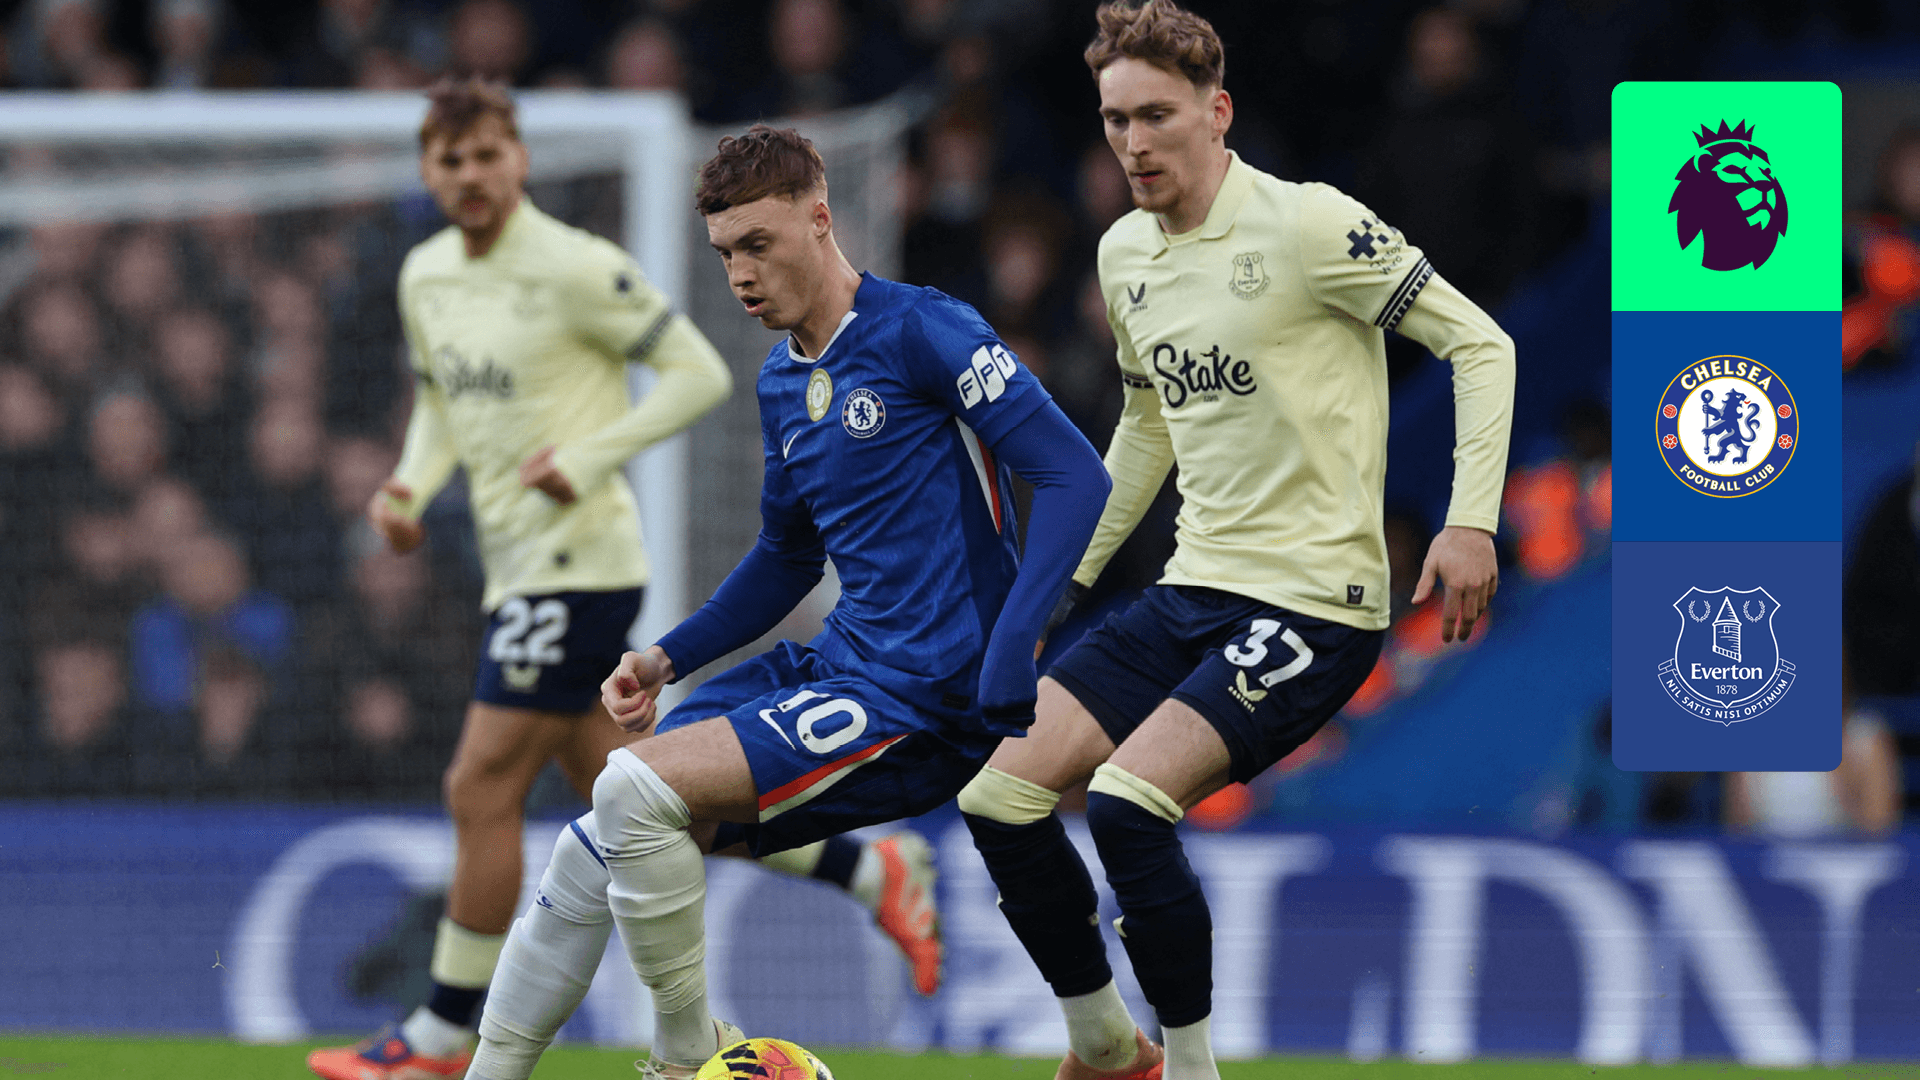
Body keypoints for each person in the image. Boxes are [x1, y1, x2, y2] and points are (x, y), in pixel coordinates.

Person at [308, 82, 940, 1080]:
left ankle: (442, 1036)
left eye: (486, 155)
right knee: (636, 796)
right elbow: (438, 400)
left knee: (482, 782)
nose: (469, 176)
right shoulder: (426, 275)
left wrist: (590, 455)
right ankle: (868, 868)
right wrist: (408, 486)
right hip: (511, 566)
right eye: (449, 160)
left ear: (519, 159)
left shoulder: (574, 267)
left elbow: (697, 372)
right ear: (427, 171)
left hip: (579, 564)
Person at [461, 124, 1111, 1080]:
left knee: (631, 788)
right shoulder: (782, 381)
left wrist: (1015, 642)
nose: (740, 275)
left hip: (927, 697)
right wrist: (669, 657)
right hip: (841, 666)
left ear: (820, 218)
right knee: (599, 839)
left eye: (758, 245)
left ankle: (684, 1057)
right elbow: (787, 556)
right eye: (726, 253)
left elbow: (1073, 476)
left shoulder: (925, 330)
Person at [952, 4, 1517, 1080]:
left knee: (1125, 803)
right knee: (1000, 797)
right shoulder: (1124, 253)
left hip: (1316, 604)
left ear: (1218, 113)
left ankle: (1193, 1069)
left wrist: (1468, 518)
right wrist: (1055, 587)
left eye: (1157, 116)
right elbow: (1148, 428)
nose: (1133, 143)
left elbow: (1481, 345)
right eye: (1115, 120)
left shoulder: (1310, 226)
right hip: (1191, 591)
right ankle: (1106, 1046)